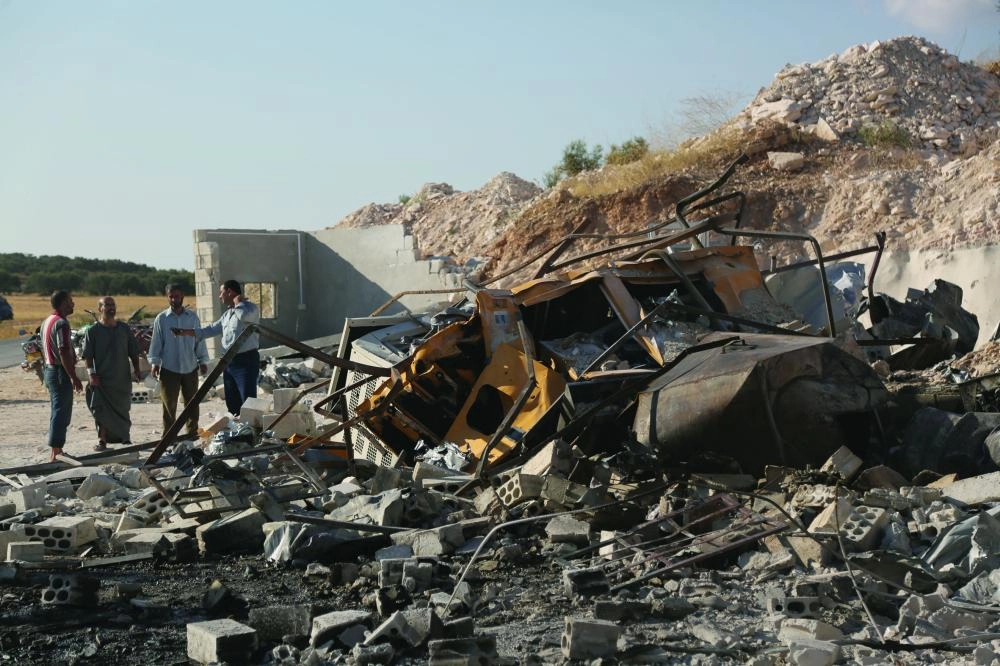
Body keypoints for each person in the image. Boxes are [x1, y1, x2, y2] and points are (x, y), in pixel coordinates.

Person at [174, 279, 260, 417]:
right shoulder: (227, 315)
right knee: (232, 401)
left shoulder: (250, 308)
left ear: (230, 292)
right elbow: (210, 330)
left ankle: (253, 432)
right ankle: (237, 433)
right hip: (229, 362)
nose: (220, 296)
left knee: (248, 400)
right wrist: (185, 332)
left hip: (246, 361)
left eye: (221, 292)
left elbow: (244, 316)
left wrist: (238, 303)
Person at [148, 283, 208, 439]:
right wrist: (155, 363)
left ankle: (192, 433)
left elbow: (199, 340)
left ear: (182, 296)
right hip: (169, 368)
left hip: (190, 367)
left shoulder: (192, 318)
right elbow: (156, 342)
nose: (174, 299)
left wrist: (203, 361)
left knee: (192, 403)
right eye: (171, 296)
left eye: (177, 296)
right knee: (169, 405)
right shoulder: (162, 319)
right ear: (167, 297)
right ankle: (169, 436)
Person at [82, 296, 142, 451]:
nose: (110, 308)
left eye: (112, 305)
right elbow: (88, 356)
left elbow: (133, 352)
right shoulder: (93, 331)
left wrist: (137, 369)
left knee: (123, 409)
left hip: (121, 379)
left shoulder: (123, 328)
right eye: (106, 305)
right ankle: (102, 440)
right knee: (101, 410)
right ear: (100, 309)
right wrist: (91, 374)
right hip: (102, 380)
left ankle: (125, 438)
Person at [41, 290, 84, 461]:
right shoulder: (61, 324)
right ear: (64, 303)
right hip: (59, 372)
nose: (73, 304)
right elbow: (63, 350)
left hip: (49, 370)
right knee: (62, 411)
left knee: (56, 409)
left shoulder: (47, 321)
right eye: (70, 301)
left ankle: (56, 449)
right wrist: (73, 376)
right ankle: (56, 452)